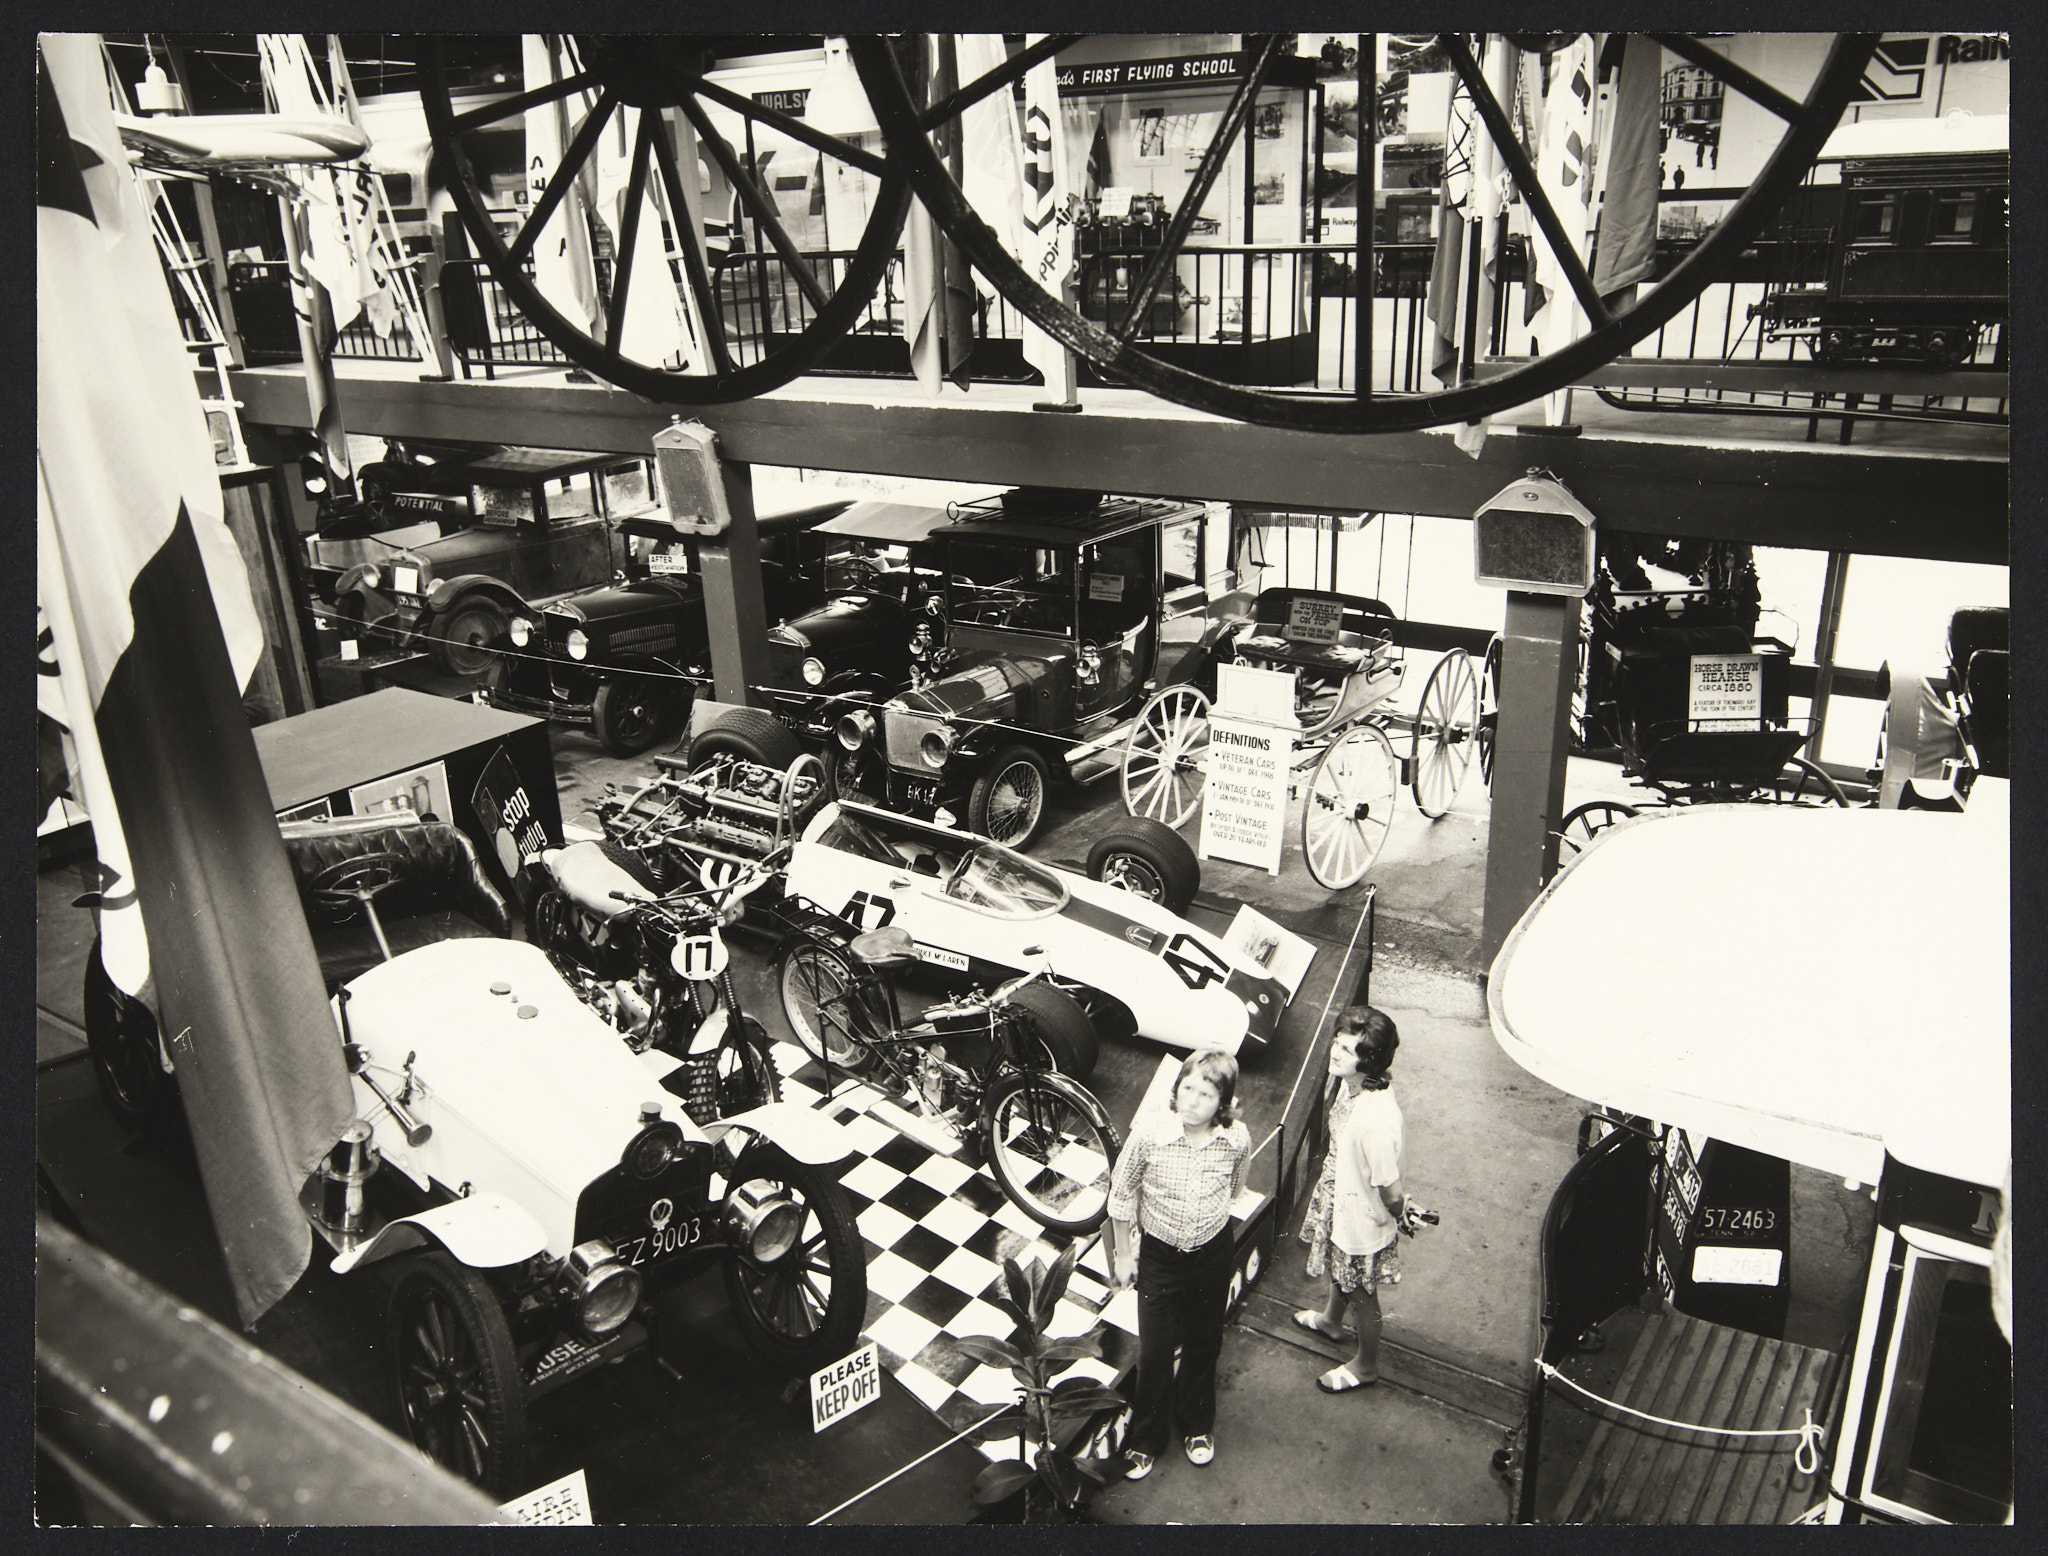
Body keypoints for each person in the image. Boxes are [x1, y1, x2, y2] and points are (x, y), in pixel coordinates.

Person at [1105, 1049, 1251, 1480]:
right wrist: (1125, 1256)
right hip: (1160, 1259)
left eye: (1206, 1094)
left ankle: (1197, 1425)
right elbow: (1120, 1196)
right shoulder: (1149, 1134)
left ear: (1223, 1104)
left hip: (1212, 1254)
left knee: (1205, 1343)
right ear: (1175, 1089)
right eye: (1187, 1088)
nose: (1192, 1100)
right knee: (1155, 1351)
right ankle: (1145, 1439)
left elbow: (1237, 1185)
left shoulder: (1236, 1138)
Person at [1294, 1006, 1413, 1393]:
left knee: (1362, 1293)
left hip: (1361, 1217)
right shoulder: (1354, 1084)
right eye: (1338, 1042)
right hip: (1338, 1194)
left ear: (1370, 1061)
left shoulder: (1373, 1121)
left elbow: (1391, 1190)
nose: (1335, 1051)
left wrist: (1402, 1213)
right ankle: (1331, 1320)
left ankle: (1366, 1365)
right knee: (1338, 1267)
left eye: (1348, 1049)